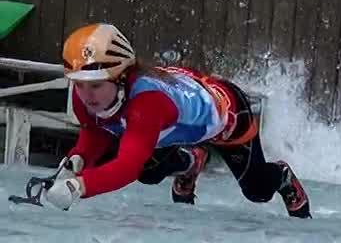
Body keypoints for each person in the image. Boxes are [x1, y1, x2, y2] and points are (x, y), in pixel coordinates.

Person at [41, 23, 310, 217]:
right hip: (175, 119)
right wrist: (78, 159)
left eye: (96, 85)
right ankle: (191, 161)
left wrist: (79, 186)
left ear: (121, 77)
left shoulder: (146, 105)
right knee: (149, 173)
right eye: (79, 85)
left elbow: (126, 168)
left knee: (257, 191)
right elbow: (96, 131)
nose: (87, 96)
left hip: (227, 115)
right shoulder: (87, 98)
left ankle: (282, 176)